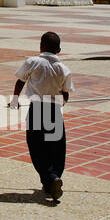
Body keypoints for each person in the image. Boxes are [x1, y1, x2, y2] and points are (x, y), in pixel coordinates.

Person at [9, 31, 73, 202]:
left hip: (37, 109)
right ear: (59, 49)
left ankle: (50, 178)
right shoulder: (64, 69)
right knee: (57, 148)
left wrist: (14, 100)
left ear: (40, 46)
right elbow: (65, 96)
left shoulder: (33, 62)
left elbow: (20, 81)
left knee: (37, 148)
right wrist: (60, 100)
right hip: (54, 112)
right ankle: (52, 179)